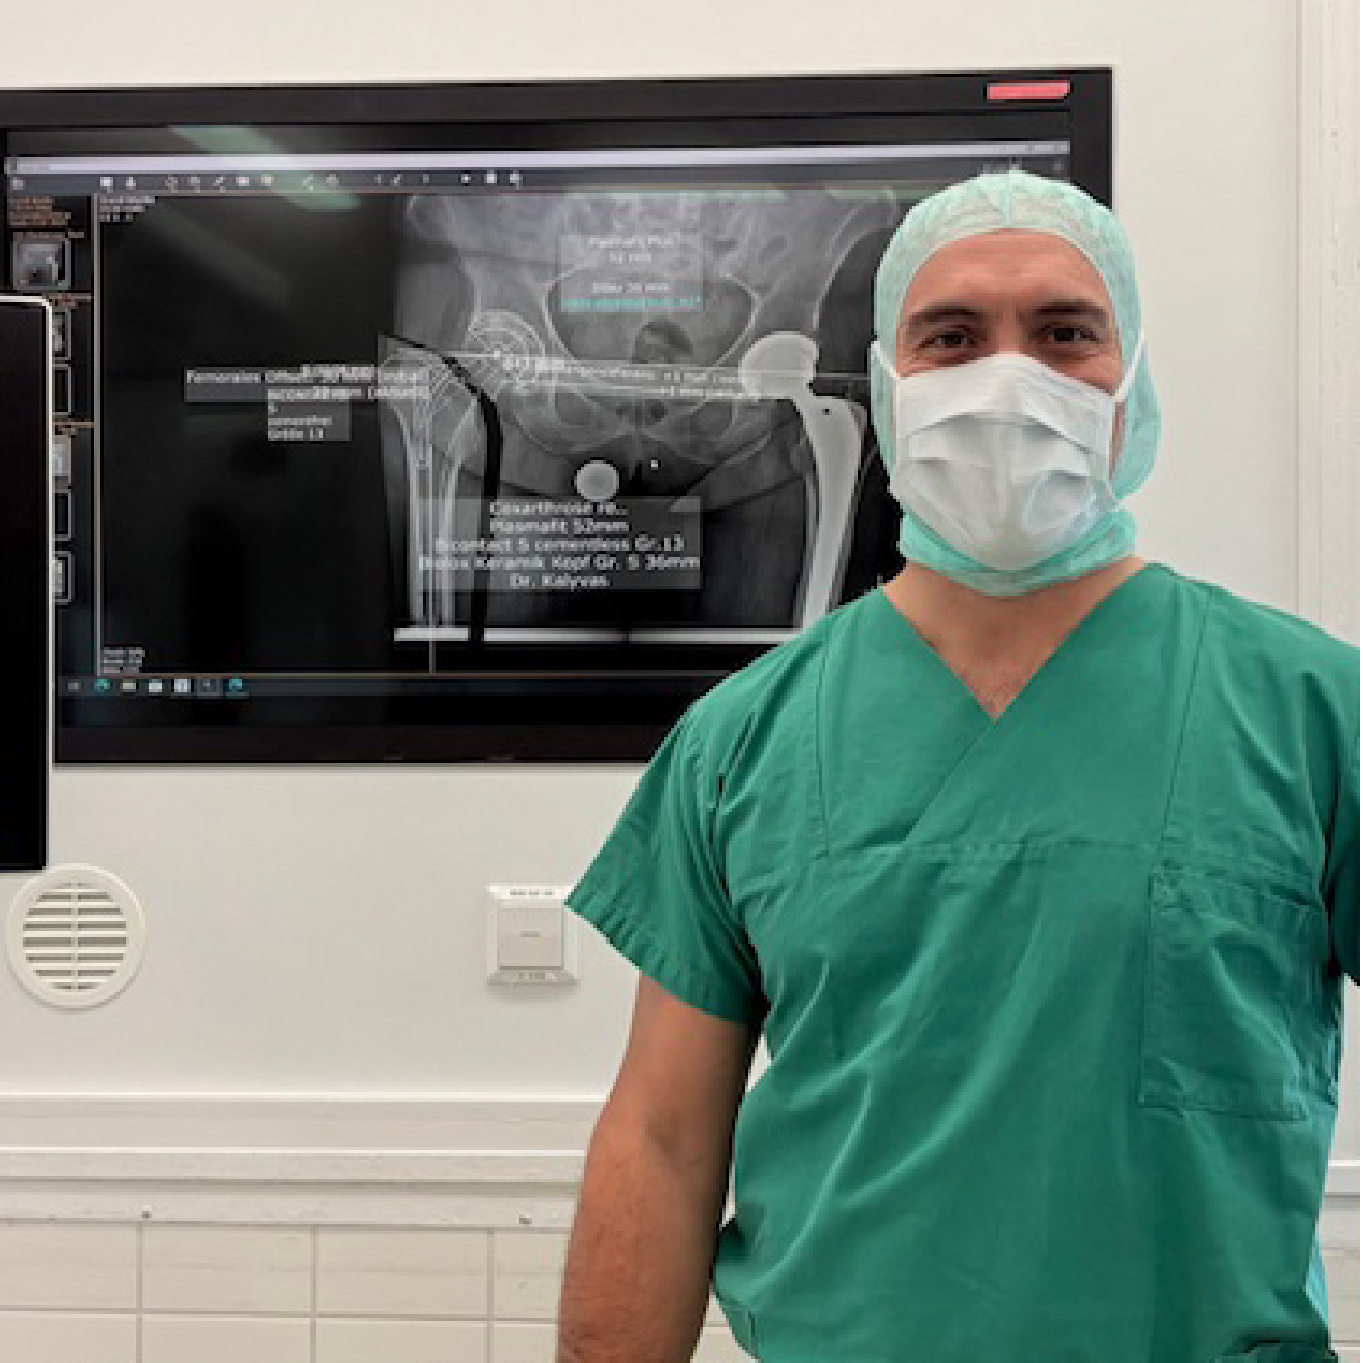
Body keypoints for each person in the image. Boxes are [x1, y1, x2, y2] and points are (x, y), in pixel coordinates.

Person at [555, 169, 1360, 1363]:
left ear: (1131, 383)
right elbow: (662, 1140)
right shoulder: (742, 740)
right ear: (887, 387)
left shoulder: (1313, 709)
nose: (1007, 376)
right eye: (952, 337)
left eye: (1064, 333)